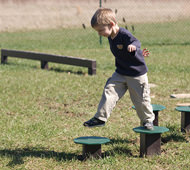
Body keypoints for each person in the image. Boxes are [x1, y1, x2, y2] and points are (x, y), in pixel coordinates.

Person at [83, 8, 155, 130]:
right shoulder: (110, 36)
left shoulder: (124, 34)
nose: (99, 34)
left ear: (112, 24)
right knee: (109, 91)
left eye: (101, 30)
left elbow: (136, 41)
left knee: (141, 99)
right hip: (121, 72)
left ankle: (147, 121)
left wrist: (133, 46)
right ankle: (100, 118)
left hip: (136, 74)